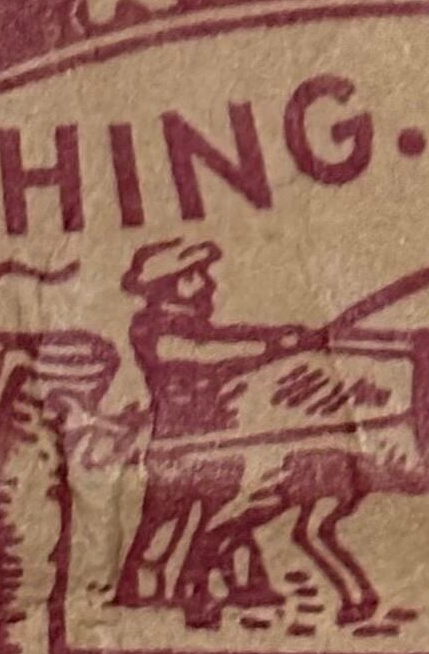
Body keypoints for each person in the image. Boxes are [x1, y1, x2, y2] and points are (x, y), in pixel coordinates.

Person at [113, 238, 315, 616]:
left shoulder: (196, 326)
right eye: (195, 274)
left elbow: (226, 340)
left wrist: (275, 339)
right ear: (169, 284)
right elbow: (200, 352)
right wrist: (271, 346)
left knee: (225, 513)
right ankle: (147, 588)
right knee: (167, 522)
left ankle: (235, 585)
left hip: (221, 440)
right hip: (179, 444)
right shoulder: (150, 326)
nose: (208, 282)